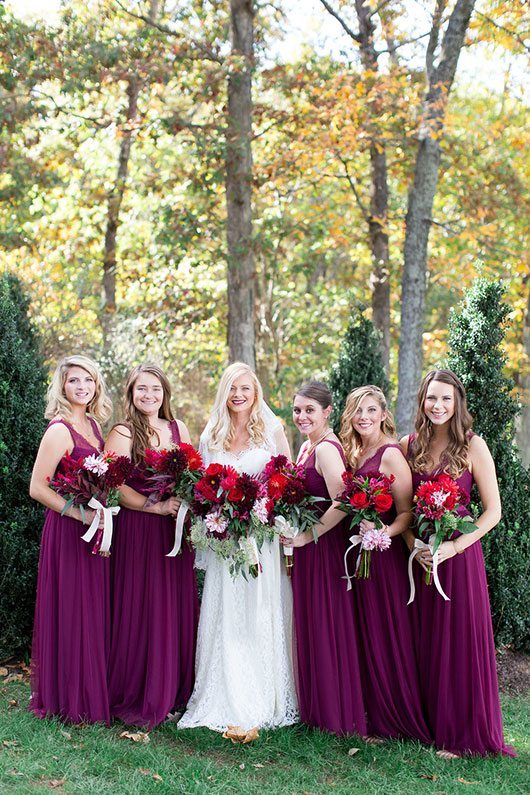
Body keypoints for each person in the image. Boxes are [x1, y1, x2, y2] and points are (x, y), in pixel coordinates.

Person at [401, 369, 515, 757]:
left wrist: (452, 548)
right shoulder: (408, 446)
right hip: (419, 558)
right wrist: (413, 543)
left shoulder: (472, 446)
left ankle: (462, 735)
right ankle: (427, 724)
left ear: (458, 403)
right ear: (422, 400)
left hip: (459, 558)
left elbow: (493, 512)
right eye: (432, 398)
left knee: (458, 645)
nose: (438, 405)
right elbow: (402, 510)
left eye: (446, 399)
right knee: (425, 642)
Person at [178, 362, 298, 732]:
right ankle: (223, 693)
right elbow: (200, 488)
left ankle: (264, 696)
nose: (239, 395)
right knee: (227, 611)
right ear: (224, 393)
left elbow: (287, 483)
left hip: (260, 541)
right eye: (232, 388)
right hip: (225, 543)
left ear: (256, 391)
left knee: (260, 611)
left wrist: (265, 515)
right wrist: (218, 511)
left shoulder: (273, 429)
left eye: (245, 388)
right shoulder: (212, 433)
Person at [106, 363, 198, 729]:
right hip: (140, 532)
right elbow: (114, 484)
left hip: (174, 534)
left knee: (174, 607)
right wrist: (155, 506)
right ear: (130, 393)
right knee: (143, 607)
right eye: (141, 389)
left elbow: (191, 475)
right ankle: (139, 691)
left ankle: (176, 692)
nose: (149, 395)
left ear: (165, 393)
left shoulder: (178, 429)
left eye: (155, 389)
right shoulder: (123, 431)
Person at [340, 386, 431, 743]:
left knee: (387, 635)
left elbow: (407, 512)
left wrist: (383, 533)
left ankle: (396, 721)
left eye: (371, 410)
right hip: (360, 558)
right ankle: (372, 714)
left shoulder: (391, 454)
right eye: (358, 411)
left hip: (385, 559)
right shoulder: (354, 450)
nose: (364, 417)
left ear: (383, 414)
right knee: (365, 635)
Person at [29, 354, 113, 723]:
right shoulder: (59, 429)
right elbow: (37, 487)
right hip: (68, 530)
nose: (82, 387)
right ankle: (66, 698)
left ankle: (88, 691)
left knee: (91, 608)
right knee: (71, 607)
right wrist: (78, 514)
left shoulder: (95, 427)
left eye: (89, 381)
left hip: (96, 530)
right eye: (75, 381)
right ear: (62, 386)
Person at [280, 381, 366, 736]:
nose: (302, 416)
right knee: (311, 624)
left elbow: (343, 502)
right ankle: (315, 710)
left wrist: (305, 536)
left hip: (323, 549)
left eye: (309, 410)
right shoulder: (307, 446)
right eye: (298, 410)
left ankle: (334, 715)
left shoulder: (327, 449)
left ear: (327, 412)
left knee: (326, 625)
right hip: (308, 550)